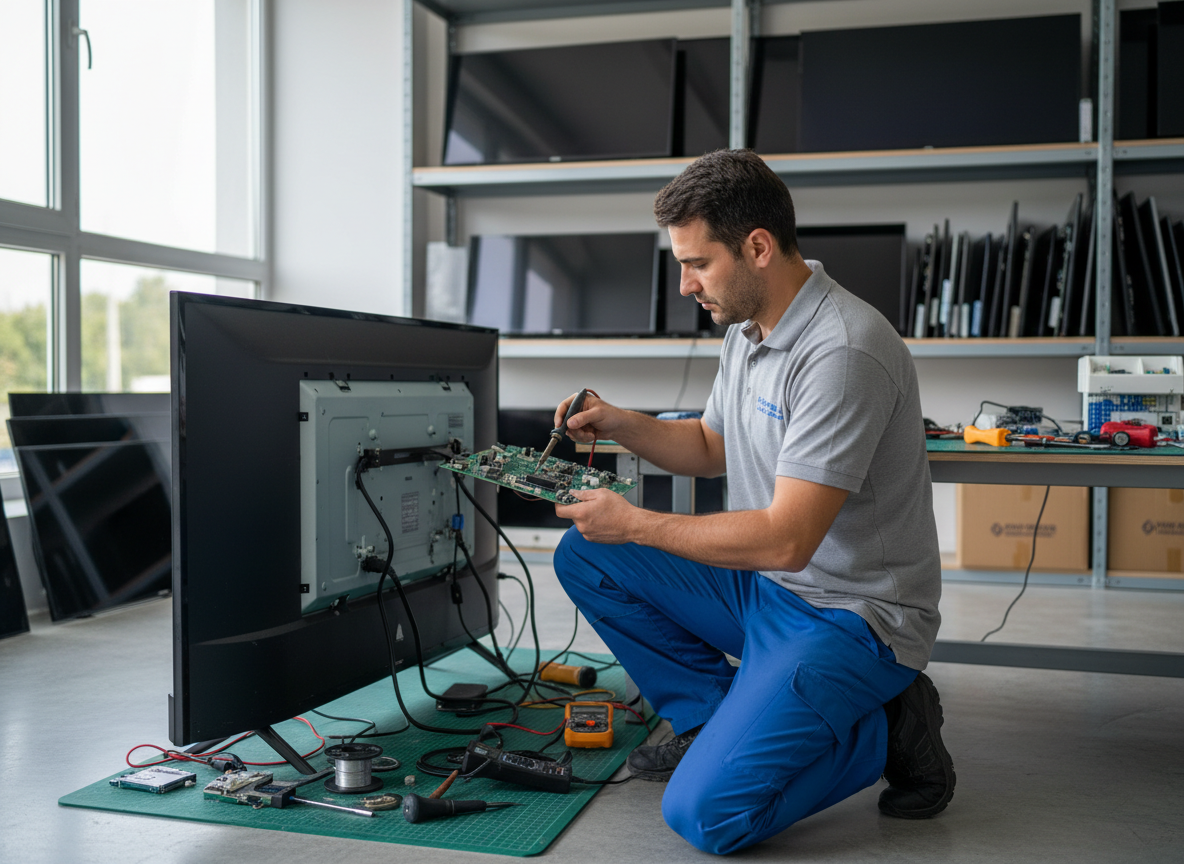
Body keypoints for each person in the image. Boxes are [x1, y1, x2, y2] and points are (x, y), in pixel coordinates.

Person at [550, 149, 953, 855]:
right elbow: (711, 443)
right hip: (771, 593)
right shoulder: (747, 331)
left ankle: (891, 726)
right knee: (589, 554)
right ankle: (711, 720)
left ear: (758, 248)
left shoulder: (843, 351)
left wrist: (638, 522)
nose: (685, 284)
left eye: (698, 263)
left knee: (707, 817)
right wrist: (619, 420)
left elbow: (787, 540)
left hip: (851, 618)